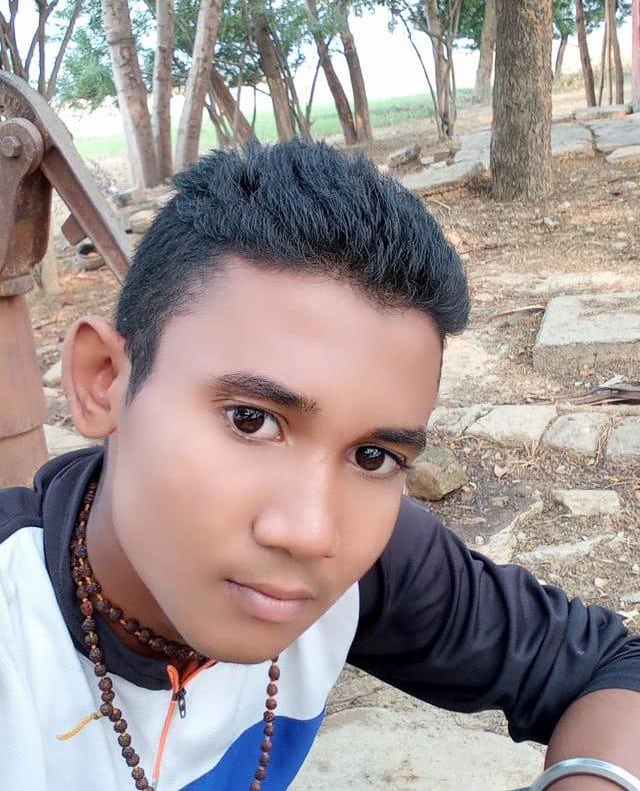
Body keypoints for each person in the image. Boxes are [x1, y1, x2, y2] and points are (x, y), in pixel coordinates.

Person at [0, 141, 638, 791]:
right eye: (251, 421)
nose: (309, 532)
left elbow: (613, 663)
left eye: (372, 456)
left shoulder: (374, 560)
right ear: (103, 381)